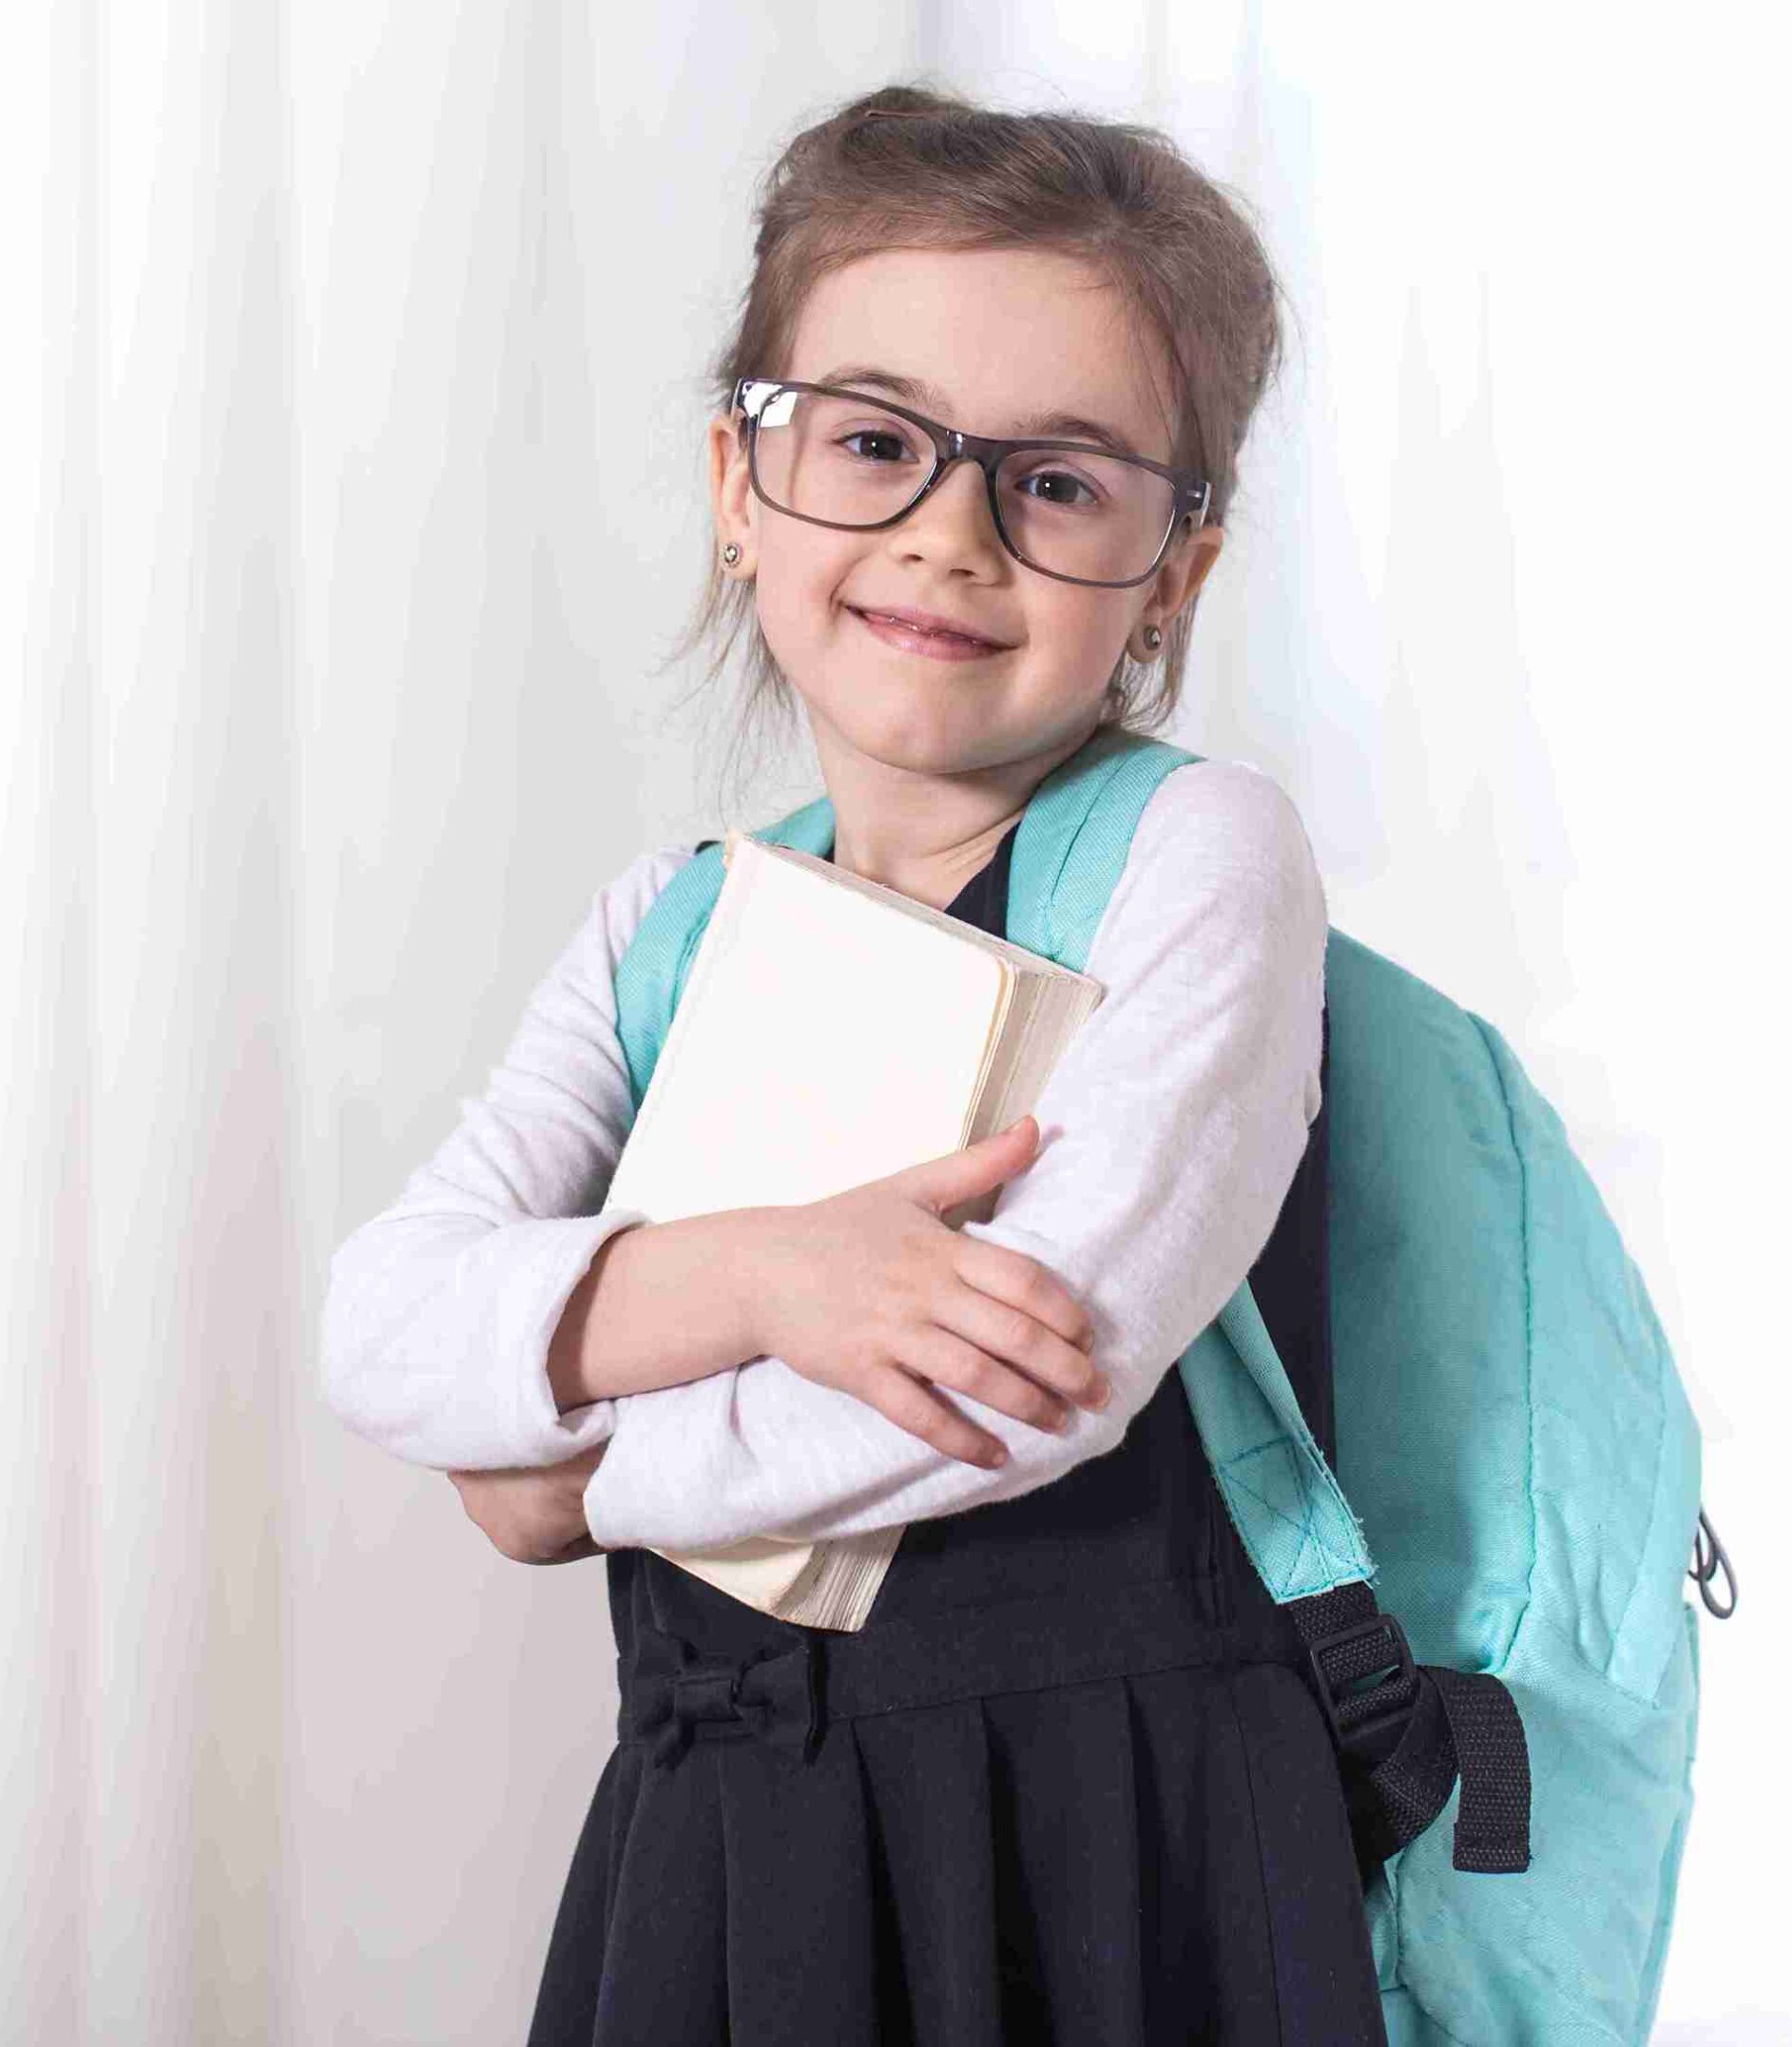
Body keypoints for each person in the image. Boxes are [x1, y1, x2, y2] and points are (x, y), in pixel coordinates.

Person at [321, 82, 1385, 2046]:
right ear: (741, 490)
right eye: (874, 443)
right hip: (727, 1835)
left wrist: (553, 1457)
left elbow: (1015, 1378)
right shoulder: (669, 921)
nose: (945, 536)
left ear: (1174, 571)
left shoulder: (1192, 858)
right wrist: (754, 1278)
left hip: (1098, 1840)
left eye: (1055, 483)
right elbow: (378, 1317)